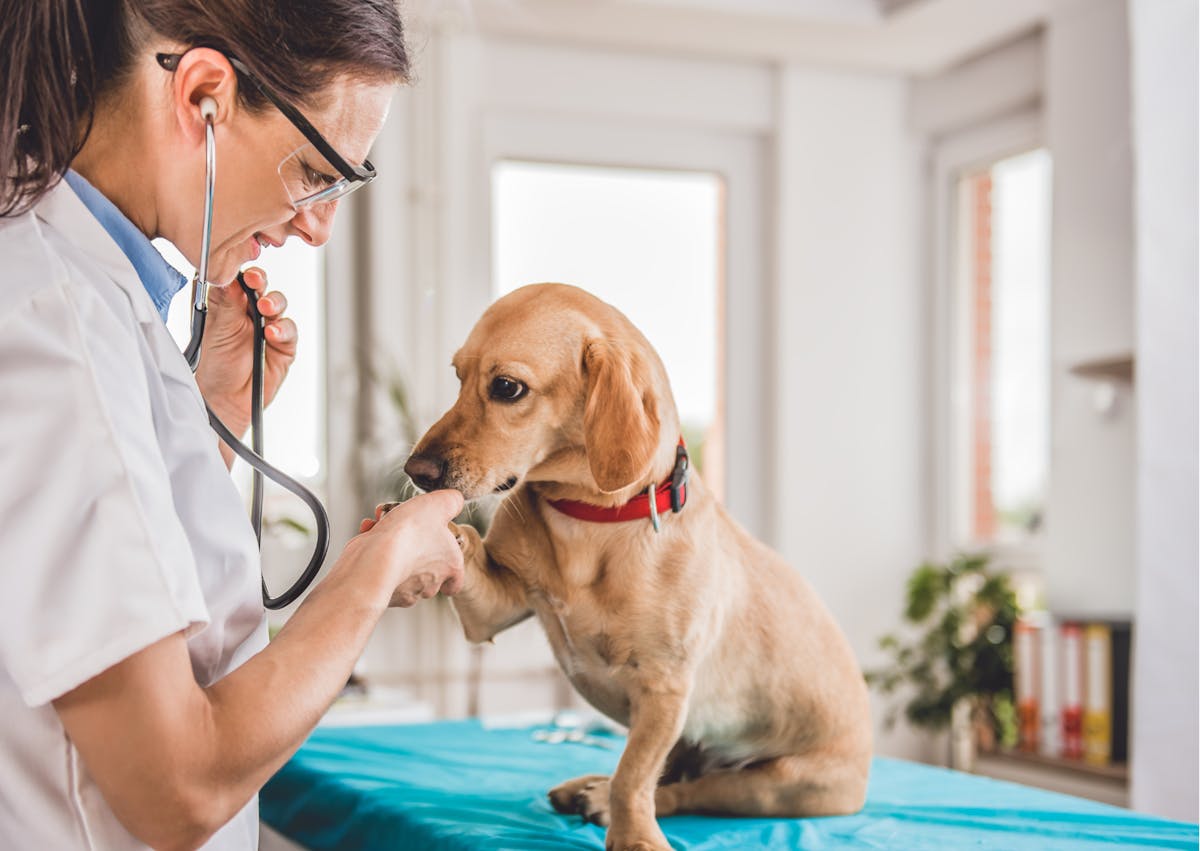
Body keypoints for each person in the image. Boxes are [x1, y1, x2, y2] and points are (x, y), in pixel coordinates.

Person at [0, 1, 465, 848]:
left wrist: (209, 413)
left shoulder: (90, 292)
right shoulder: (54, 323)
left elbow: (98, 563)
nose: (318, 226)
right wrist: (374, 567)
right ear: (204, 96)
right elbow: (174, 782)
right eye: (316, 172)